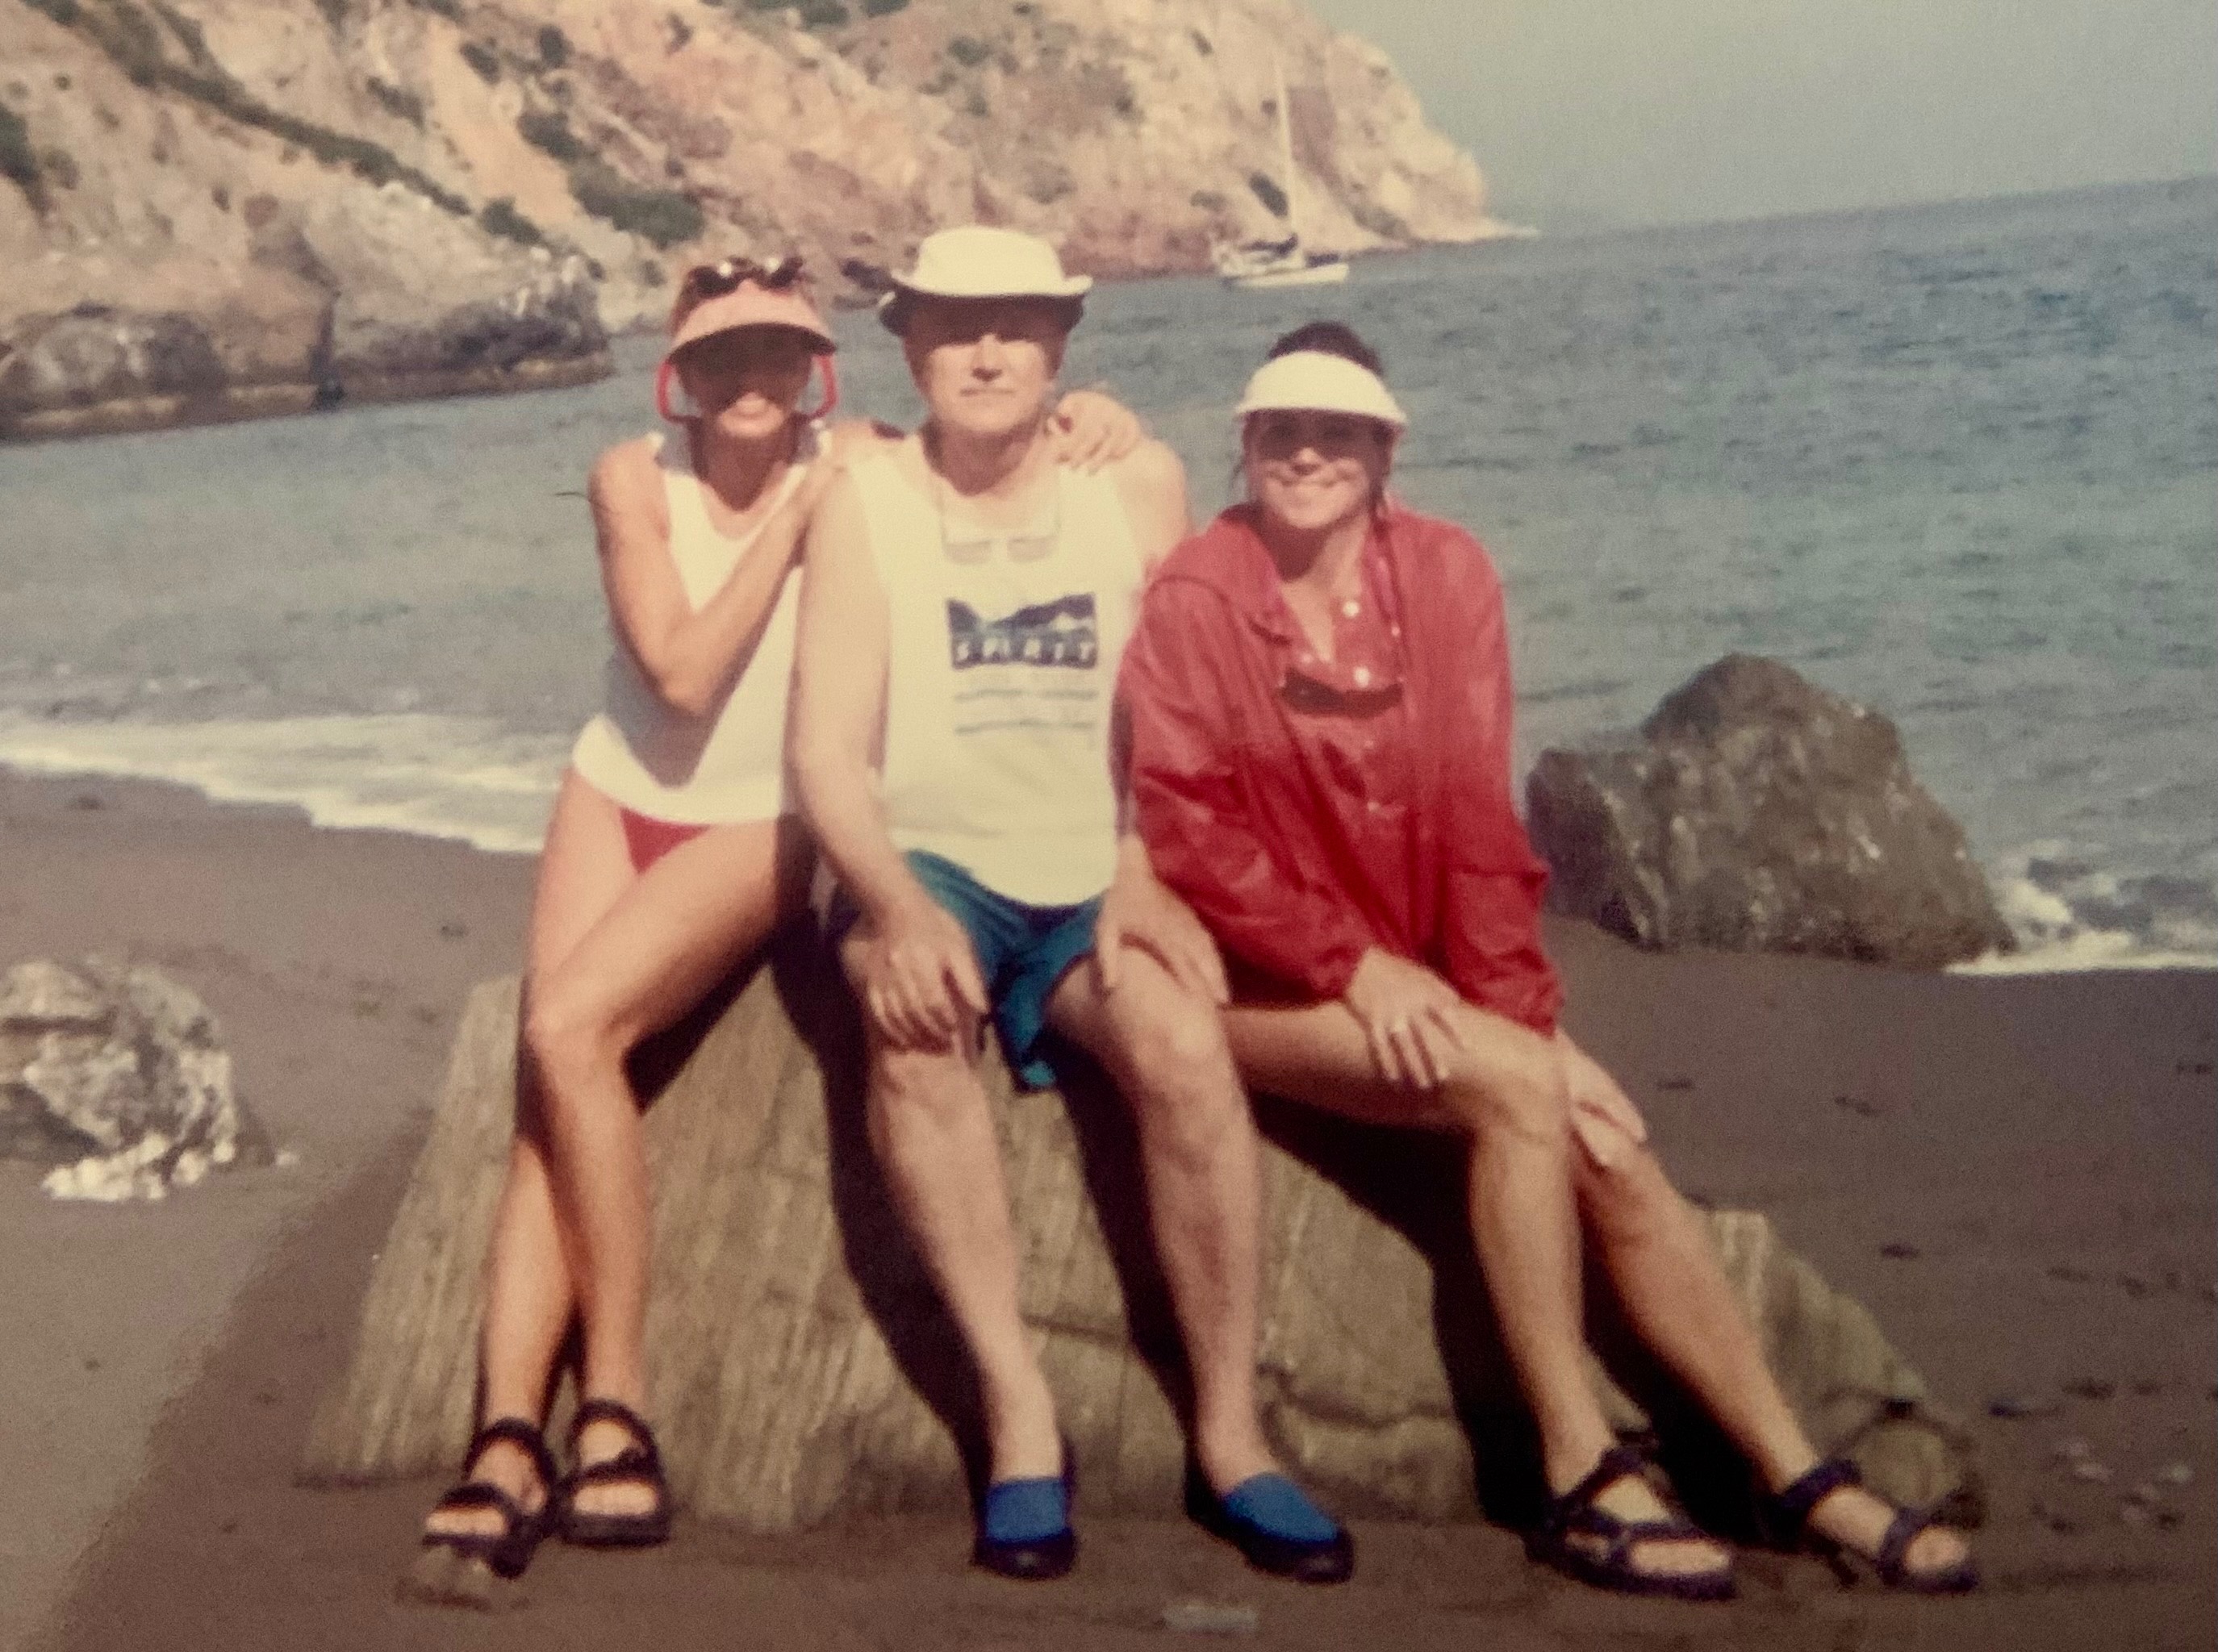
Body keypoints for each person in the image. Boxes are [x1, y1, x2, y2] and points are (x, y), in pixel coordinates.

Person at [1117, 321, 1982, 1601]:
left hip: (1416, 983)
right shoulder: (1197, 595)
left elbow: (1477, 820)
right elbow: (1190, 828)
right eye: (1279, 433)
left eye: (1337, 433)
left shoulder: (1447, 574)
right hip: (1264, 989)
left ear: (1383, 450)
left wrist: (1522, 1012)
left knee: (1608, 1148)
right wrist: (1354, 967)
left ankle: (1798, 1475)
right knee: (1520, 1091)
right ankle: (1576, 1467)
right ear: (1243, 446)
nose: (1306, 455)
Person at [410, 254, 1144, 1595]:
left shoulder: (865, 467)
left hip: (765, 816)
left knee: (570, 1026)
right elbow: (677, 675)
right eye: (719, 359)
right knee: (550, 1081)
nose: (750, 381)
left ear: (816, 371)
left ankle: (615, 1404)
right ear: (676, 378)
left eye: (778, 356)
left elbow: (1003, 448)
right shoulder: (637, 478)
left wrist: (1103, 419)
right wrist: (800, 512)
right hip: (618, 786)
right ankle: (506, 1436)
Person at [790, 227, 1354, 1583]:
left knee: (1182, 1045)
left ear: (1058, 345)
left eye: (1016, 327)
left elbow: (1185, 711)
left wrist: (1146, 864)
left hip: (1098, 867)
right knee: (911, 1025)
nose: (986, 353)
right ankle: (1019, 1417)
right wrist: (895, 910)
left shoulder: (1134, 479)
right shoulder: (864, 499)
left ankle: (1231, 1437)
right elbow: (824, 755)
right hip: (932, 858)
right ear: (910, 347)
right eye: (954, 327)